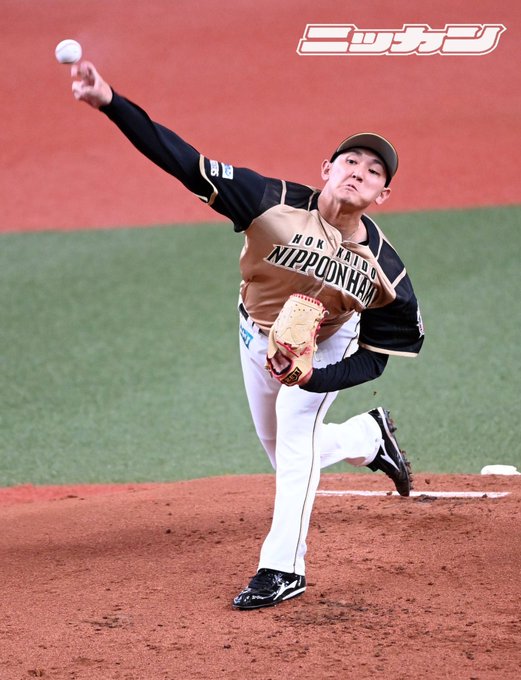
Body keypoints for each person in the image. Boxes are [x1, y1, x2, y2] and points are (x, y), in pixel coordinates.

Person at [70, 61, 424, 610]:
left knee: (296, 433)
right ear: (326, 169)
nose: (359, 172)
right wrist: (110, 100)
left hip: (329, 342)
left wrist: (315, 376)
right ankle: (367, 438)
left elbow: (377, 358)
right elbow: (181, 160)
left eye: (374, 171)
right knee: (282, 452)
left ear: (384, 194)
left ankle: (283, 568)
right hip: (256, 332)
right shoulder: (268, 201)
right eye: (350, 161)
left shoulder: (386, 273)